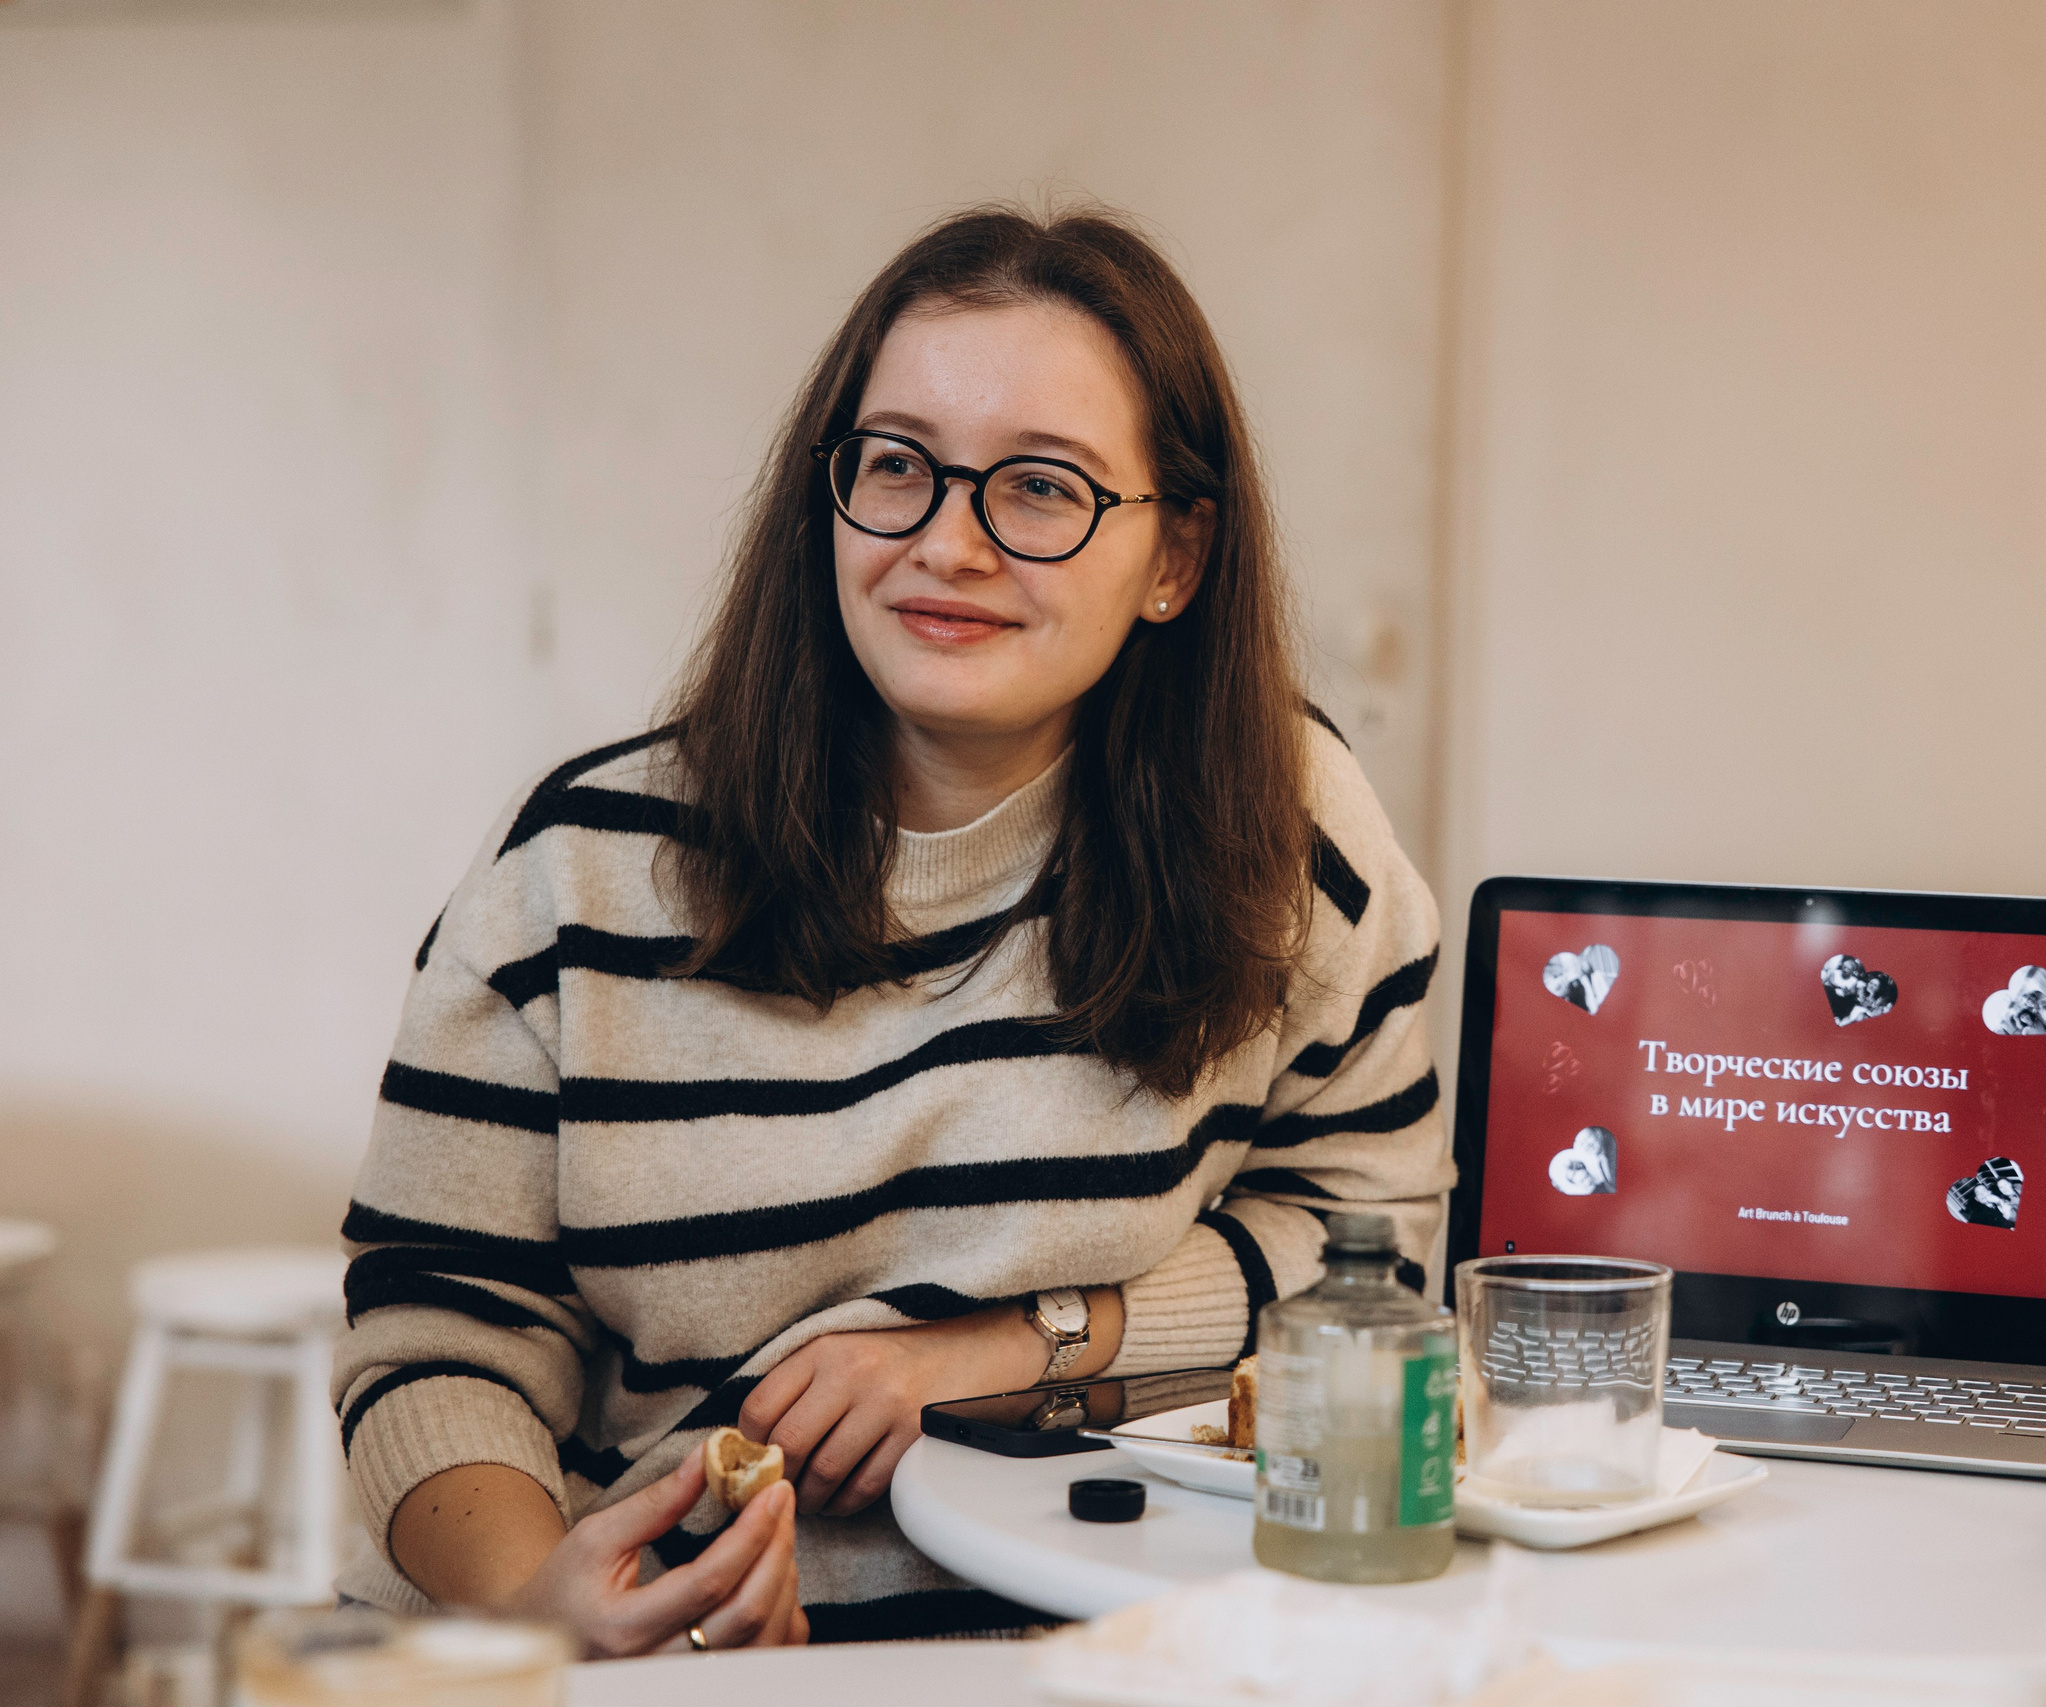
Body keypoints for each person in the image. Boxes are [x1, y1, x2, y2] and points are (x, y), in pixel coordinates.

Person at [331, 206, 1451, 1653]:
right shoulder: (583, 869)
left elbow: (1372, 1251)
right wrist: (557, 1607)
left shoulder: (1284, 831)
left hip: (1104, 1651)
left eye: (1040, 489)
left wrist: (1016, 1349)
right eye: (899, 467)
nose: (948, 543)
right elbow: (433, 1329)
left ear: (1175, 555)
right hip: (647, 1658)